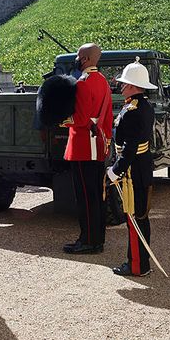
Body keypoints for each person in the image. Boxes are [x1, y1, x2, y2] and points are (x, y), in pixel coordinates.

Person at [61, 43, 113, 253]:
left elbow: (80, 119)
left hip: (83, 145)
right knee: (97, 196)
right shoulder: (102, 81)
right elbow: (107, 116)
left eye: (78, 55)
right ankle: (97, 238)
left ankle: (88, 241)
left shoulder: (83, 83)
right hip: (98, 143)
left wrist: (62, 120)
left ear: (85, 58)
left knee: (85, 197)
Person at [108, 61, 156, 277]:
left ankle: (137, 265)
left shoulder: (133, 110)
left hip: (132, 171)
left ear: (133, 86)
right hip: (141, 168)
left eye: (125, 83)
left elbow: (130, 148)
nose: (121, 86)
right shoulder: (142, 106)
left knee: (135, 219)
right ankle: (141, 262)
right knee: (140, 217)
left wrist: (115, 170)